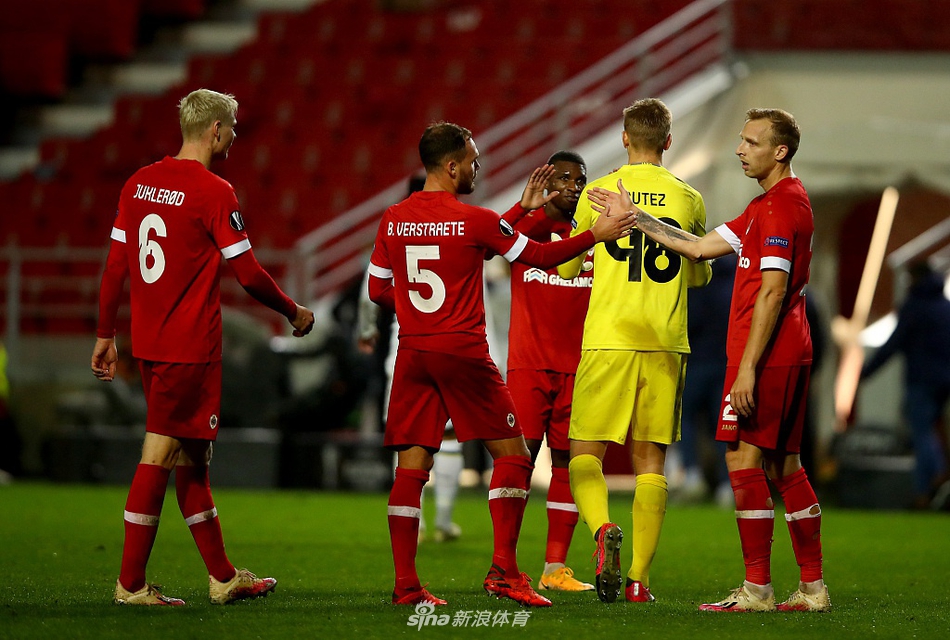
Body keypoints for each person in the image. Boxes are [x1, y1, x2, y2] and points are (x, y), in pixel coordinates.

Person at [367, 121, 635, 607]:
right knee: (513, 458)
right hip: (465, 354)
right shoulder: (474, 218)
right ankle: (505, 573)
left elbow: (377, 290)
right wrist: (595, 235)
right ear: (452, 166)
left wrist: (419, 312)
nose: (477, 166)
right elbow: (538, 254)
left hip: (414, 353)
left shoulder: (392, 218)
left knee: (410, 470)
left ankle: (406, 585)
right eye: (472, 159)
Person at [590, 107, 830, 612]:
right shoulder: (767, 205)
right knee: (785, 465)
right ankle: (812, 588)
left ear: (780, 151)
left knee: (743, 461)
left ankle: (757, 589)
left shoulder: (782, 208)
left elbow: (771, 292)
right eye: (741, 140)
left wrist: (745, 369)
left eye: (751, 142)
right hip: (785, 351)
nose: (741, 150)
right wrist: (636, 215)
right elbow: (698, 248)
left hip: (767, 357)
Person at [91, 88, 315, 606]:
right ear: (215, 129)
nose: (234, 135)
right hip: (188, 347)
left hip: (150, 345)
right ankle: (130, 585)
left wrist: (106, 335)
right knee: (161, 453)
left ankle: (222, 576)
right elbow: (250, 276)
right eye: (232, 127)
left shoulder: (139, 182)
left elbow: (115, 268)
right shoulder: (214, 191)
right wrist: (293, 311)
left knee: (194, 456)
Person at [558, 98, 711, 604]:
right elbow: (699, 271)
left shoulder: (599, 192)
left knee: (585, 453)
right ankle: (640, 580)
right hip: (665, 341)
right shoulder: (688, 197)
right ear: (668, 141)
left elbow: (565, 267)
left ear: (625, 138)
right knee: (651, 463)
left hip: (608, 336)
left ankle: (603, 530)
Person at [357, 174, 465, 544]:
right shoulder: (461, 227)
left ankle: (413, 524)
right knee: (451, 438)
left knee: (406, 439)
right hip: (457, 347)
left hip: (408, 349)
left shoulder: (396, 226)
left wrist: (367, 329)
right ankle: (444, 521)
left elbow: (370, 288)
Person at [506, 150, 594, 592]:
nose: (574, 186)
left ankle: (554, 569)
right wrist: (525, 206)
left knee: (569, 464)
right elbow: (487, 242)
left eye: (581, 179)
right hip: (529, 366)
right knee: (518, 463)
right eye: (564, 178)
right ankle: (505, 564)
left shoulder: (597, 236)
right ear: (545, 181)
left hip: (581, 369)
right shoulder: (525, 228)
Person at [860, 261, 950, 508]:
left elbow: (892, 345)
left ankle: (928, 487)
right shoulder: (945, 307)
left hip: (922, 381)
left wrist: (866, 373)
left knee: (921, 433)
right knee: (934, 431)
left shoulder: (914, 308)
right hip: (945, 381)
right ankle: (937, 481)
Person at [678, 254, 736, 506]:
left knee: (685, 420)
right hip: (726, 366)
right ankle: (727, 485)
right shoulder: (736, 289)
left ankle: (692, 473)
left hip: (697, 363)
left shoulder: (700, 287)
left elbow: (689, 323)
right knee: (723, 428)